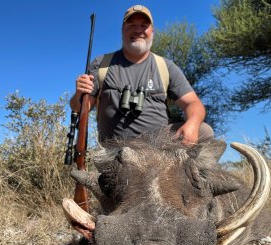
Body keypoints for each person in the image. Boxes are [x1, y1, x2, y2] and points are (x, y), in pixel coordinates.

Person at [70, 4, 214, 146]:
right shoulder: (101, 63)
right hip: (115, 151)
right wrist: (79, 95)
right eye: (131, 25)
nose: (138, 30)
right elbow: (79, 107)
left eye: (144, 25)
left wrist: (192, 124)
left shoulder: (166, 66)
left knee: (204, 131)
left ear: (152, 31)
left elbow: (193, 103)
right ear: (122, 30)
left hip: (158, 149)